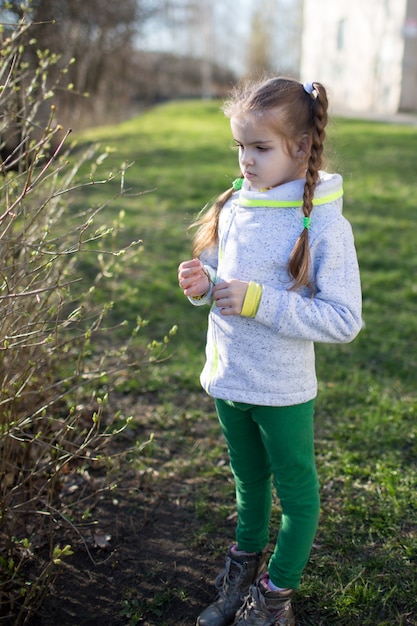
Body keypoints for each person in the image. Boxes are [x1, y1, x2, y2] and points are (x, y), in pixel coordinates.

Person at [178, 76, 362, 626]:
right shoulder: (235, 202)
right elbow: (223, 283)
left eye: (259, 148)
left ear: (300, 148)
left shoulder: (325, 223)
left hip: (280, 389)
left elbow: (344, 319)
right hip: (229, 378)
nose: (246, 162)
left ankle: (275, 596)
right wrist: (203, 285)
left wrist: (260, 301)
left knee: (297, 494)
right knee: (247, 482)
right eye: (240, 147)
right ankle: (239, 574)